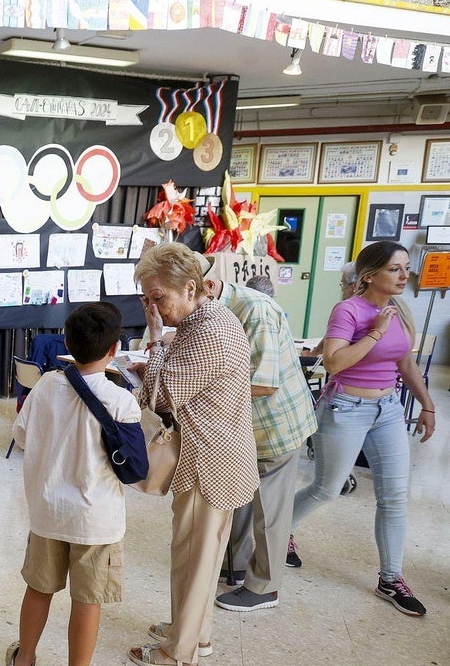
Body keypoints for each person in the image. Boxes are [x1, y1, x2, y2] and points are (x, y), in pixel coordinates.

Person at [128, 242, 258, 666]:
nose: (153, 307)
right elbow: (164, 387)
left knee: (195, 558)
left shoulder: (207, 329)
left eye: (158, 298)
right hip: (214, 454)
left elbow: (160, 396)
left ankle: (177, 653)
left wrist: (154, 341)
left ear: (189, 287)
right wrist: (160, 351)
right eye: (146, 299)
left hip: (210, 460)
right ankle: (193, 635)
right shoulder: (205, 318)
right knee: (195, 554)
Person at [290, 241, 437, 617]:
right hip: (345, 408)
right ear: (369, 275)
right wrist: (374, 332)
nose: (405, 276)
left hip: (387, 409)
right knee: (326, 489)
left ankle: (391, 577)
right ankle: (275, 533)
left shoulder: (399, 310)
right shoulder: (348, 310)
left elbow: (405, 362)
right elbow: (334, 362)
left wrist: (427, 404)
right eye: (396, 269)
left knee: (394, 496)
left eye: (406, 268)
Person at [7, 302, 137, 666]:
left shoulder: (46, 384)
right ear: (114, 349)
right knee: (87, 600)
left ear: (66, 340)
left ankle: (25, 657)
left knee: (38, 588)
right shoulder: (121, 401)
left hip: (47, 510)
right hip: (96, 520)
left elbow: (22, 437)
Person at [193, 257, 317, 614]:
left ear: (207, 288)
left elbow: (263, 383)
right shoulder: (215, 310)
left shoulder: (254, 309)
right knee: (242, 497)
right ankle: (236, 564)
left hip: (274, 426)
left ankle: (265, 586)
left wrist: (203, 390)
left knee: (270, 511)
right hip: (244, 427)